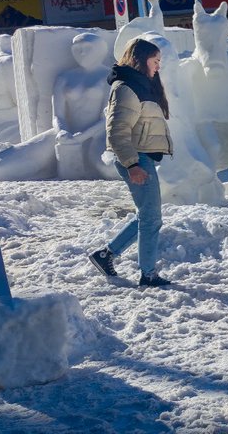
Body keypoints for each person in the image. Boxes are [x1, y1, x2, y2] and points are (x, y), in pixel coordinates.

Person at [87, 38, 174, 287]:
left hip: (140, 156)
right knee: (152, 218)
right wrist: (132, 164)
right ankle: (148, 274)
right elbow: (116, 131)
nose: (158, 66)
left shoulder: (141, 85)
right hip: (135, 157)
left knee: (145, 215)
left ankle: (106, 256)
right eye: (155, 61)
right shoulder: (127, 87)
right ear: (141, 58)